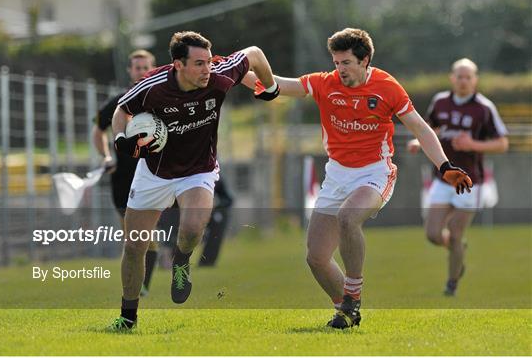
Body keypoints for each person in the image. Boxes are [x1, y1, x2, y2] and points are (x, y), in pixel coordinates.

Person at [242, 28, 472, 329]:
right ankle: (347, 310)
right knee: (316, 258)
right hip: (336, 173)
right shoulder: (324, 83)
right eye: (336, 62)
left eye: (346, 62)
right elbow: (276, 86)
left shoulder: (387, 87)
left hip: (375, 172)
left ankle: (353, 294)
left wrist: (444, 166)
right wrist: (235, 72)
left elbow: (420, 128)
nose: (340, 69)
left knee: (349, 218)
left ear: (365, 61)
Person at [108, 31, 279, 331]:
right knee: (135, 246)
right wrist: (122, 139)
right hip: (154, 173)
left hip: (198, 170)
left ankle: (181, 261)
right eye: (199, 64)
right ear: (178, 65)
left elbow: (254, 50)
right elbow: (122, 110)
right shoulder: (153, 87)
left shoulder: (219, 75)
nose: (207, 69)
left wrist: (271, 86)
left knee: (191, 228)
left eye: (209, 62)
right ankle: (127, 316)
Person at [407, 58, 508, 296]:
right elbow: (428, 130)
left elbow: (502, 143)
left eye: (468, 77)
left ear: (475, 80)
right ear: (452, 78)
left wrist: (473, 144)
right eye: (459, 77)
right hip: (443, 179)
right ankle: (458, 249)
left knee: (454, 231)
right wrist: (416, 141)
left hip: (470, 181)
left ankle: (451, 284)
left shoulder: (484, 108)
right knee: (433, 234)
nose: (463, 81)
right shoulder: (440, 102)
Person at [92, 49, 159, 296]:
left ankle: (142, 285)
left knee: (144, 233)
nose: (141, 72)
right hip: (122, 178)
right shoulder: (119, 103)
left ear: (153, 68)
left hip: (153, 175)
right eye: (136, 68)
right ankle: (140, 284)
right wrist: (107, 157)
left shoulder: (162, 100)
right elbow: (97, 130)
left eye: (145, 67)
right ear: (130, 71)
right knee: (131, 235)